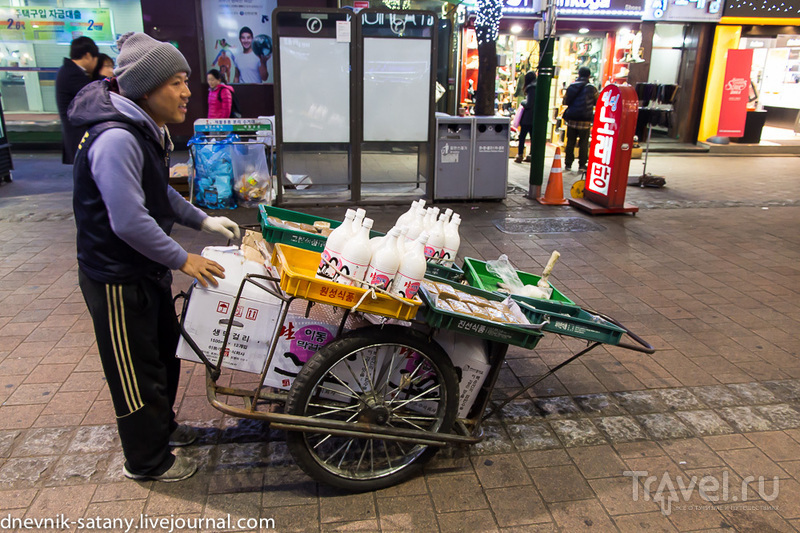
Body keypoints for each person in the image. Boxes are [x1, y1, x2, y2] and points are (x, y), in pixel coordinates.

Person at [68, 32, 240, 482]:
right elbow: (128, 219)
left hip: (144, 269)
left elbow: (156, 191)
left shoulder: (143, 127)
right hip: (117, 278)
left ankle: (164, 431)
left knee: (163, 353)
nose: (188, 92)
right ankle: (146, 462)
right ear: (146, 88)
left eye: (186, 80)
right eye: (177, 83)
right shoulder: (116, 138)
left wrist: (202, 221)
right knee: (136, 371)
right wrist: (184, 259)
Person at [56, 36, 99, 164]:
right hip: (78, 134)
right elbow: (94, 96)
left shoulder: (69, 71)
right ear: (87, 55)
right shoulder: (73, 74)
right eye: (96, 59)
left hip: (77, 132)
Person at [562, 67, 598, 172]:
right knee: (583, 143)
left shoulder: (572, 86)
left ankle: (568, 164)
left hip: (572, 119)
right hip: (585, 120)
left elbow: (565, 101)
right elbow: (597, 101)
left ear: (578, 74)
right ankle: (582, 165)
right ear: (589, 75)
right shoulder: (592, 88)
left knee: (570, 142)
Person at [515, 71, 536, 164]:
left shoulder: (531, 88)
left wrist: (523, 102)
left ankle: (520, 154)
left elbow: (529, 104)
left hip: (528, 118)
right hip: (534, 117)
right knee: (532, 137)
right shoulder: (537, 87)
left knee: (522, 136)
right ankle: (531, 155)